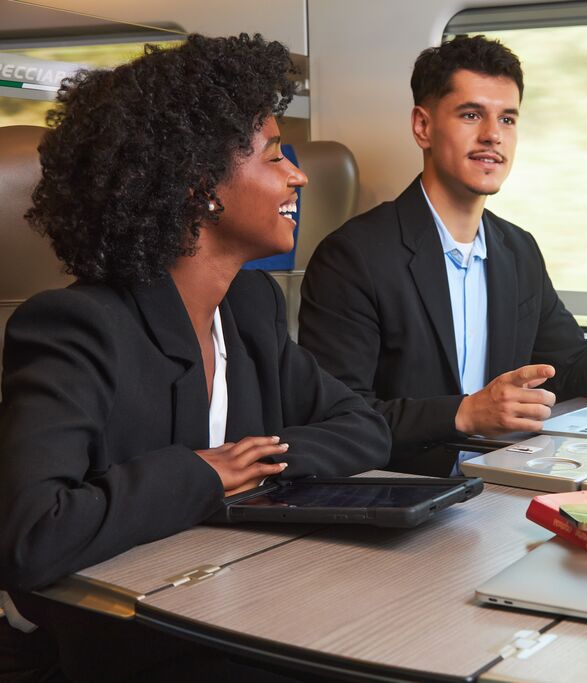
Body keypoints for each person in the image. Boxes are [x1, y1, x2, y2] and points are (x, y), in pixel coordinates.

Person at [0, 34, 390, 679]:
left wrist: (252, 466)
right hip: (129, 635)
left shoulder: (249, 307)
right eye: (273, 156)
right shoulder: (77, 327)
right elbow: (32, 533)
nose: (298, 175)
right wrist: (204, 474)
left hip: (240, 596)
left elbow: (362, 429)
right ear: (198, 184)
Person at [299, 35, 587, 470]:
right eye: (470, 115)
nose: (492, 136)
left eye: (507, 119)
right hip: (408, 489)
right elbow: (337, 419)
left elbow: (570, 359)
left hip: (503, 475)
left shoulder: (517, 249)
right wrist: (465, 414)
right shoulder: (352, 258)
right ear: (422, 127)